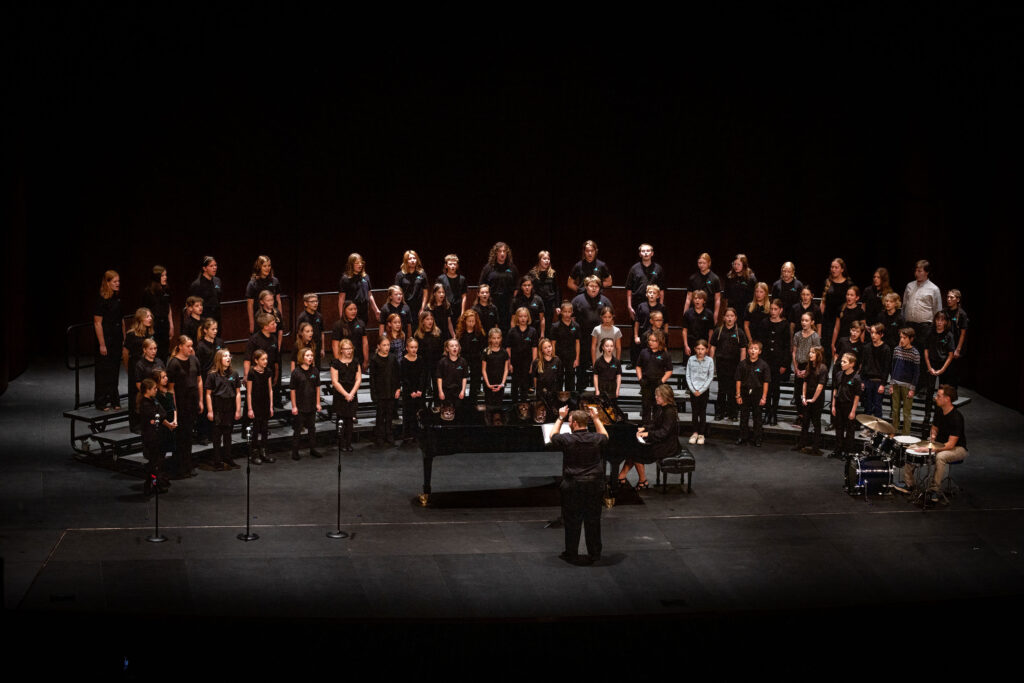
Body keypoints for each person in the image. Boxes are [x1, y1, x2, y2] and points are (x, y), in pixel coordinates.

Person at [549, 404, 608, 565]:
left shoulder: (567, 439)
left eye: (569, 421)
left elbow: (552, 436)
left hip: (573, 485)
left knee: (572, 521)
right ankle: (595, 553)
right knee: (593, 520)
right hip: (594, 485)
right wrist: (596, 418)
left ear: (574, 423)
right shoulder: (596, 439)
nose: (568, 423)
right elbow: (605, 435)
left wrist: (560, 418)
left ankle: (571, 553)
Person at [894, 385, 968, 503]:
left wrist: (931, 450)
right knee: (911, 448)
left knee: (940, 457)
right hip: (940, 444)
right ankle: (909, 484)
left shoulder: (956, 417)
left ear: (947, 399)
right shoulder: (939, 410)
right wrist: (933, 435)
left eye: (938, 396)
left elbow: (950, 445)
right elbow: (934, 428)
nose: (935, 398)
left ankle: (934, 490)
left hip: (958, 448)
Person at [627, 383, 681, 483]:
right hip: (663, 442)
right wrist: (644, 428)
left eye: (658, 396)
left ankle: (643, 481)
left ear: (665, 397)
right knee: (632, 450)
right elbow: (656, 425)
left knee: (636, 453)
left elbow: (663, 432)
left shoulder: (669, 412)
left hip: (668, 446)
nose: (655, 397)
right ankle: (621, 477)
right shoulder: (662, 408)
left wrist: (648, 434)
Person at [166, 335, 202, 477]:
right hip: (181, 403)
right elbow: (171, 388)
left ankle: (187, 464)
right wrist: (173, 408)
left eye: (191, 345)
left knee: (188, 435)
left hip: (192, 401)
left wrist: (200, 401)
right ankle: (180, 466)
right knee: (181, 436)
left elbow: (199, 380)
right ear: (180, 346)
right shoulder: (174, 363)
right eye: (188, 346)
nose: (190, 348)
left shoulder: (194, 359)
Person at [571, 276, 612, 392]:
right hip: (583, 339)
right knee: (582, 366)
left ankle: (601, 390)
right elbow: (571, 318)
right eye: (591, 286)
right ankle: (580, 390)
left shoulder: (605, 301)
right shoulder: (577, 300)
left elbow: (611, 318)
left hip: (600, 340)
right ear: (585, 287)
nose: (594, 289)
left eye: (596, 286)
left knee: (601, 365)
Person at [205, 348, 241, 471]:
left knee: (228, 435)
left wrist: (238, 410)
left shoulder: (234, 374)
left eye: (229, 356)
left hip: (229, 407)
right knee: (216, 436)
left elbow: (237, 393)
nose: (228, 358)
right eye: (225, 356)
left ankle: (228, 458)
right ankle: (217, 460)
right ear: (219, 359)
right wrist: (210, 411)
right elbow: (208, 394)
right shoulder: (212, 375)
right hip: (218, 407)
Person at [93, 270, 123, 411]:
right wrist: (102, 344)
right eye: (115, 281)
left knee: (114, 370)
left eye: (118, 281)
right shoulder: (101, 300)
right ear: (108, 282)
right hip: (106, 339)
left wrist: (123, 338)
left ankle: (114, 399)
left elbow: (121, 320)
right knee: (103, 371)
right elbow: (97, 323)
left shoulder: (117, 298)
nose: (118, 284)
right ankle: (101, 401)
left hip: (116, 338)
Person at [710, 308, 747, 421]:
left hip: (735, 365)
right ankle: (719, 413)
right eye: (727, 316)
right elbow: (712, 347)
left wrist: (742, 365)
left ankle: (733, 413)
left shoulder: (739, 332)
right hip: (722, 364)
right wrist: (711, 363)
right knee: (722, 389)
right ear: (724, 318)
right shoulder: (718, 331)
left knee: (733, 390)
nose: (729, 318)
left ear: (735, 318)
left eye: (732, 316)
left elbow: (743, 349)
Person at [123, 307, 155, 430]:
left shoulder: (150, 333)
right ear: (140, 318)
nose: (150, 318)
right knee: (135, 395)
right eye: (147, 316)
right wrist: (128, 368)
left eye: (150, 316)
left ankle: (146, 421)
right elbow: (125, 352)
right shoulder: (131, 334)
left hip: (148, 367)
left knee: (147, 395)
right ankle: (135, 424)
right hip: (136, 367)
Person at [137, 378, 171, 495]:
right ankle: (152, 484)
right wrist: (157, 417)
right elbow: (156, 416)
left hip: (157, 435)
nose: (156, 390)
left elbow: (162, 414)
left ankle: (155, 483)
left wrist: (157, 418)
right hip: (150, 438)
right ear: (147, 390)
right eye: (154, 389)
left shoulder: (154, 401)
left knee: (156, 463)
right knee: (153, 464)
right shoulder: (144, 404)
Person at [902, 260, 943, 353]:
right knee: (907, 351)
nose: (916, 273)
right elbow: (904, 306)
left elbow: (938, 311)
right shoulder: (910, 286)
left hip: (924, 327)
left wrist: (936, 328)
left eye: (919, 271)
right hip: (909, 325)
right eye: (915, 271)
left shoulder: (934, 289)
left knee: (921, 352)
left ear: (927, 272)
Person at [289, 347, 322, 460]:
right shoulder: (296, 372)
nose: (310, 358)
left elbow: (317, 388)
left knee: (312, 428)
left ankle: (313, 449)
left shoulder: (315, 371)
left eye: (311, 356)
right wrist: (294, 406)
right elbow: (292, 390)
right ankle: (295, 451)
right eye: (307, 356)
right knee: (298, 429)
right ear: (301, 357)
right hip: (300, 405)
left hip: (311, 405)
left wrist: (318, 403)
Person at [762, 299, 791, 425]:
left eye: (775, 309)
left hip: (778, 361)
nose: (773, 312)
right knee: (766, 388)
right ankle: (767, 412)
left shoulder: (785, 325)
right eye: (771, 309)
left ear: (780, 310)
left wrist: (784, 364)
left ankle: (774, 413)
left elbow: (786, 346)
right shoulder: (764, 322)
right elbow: (761, 342)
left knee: (775, 388)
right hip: (766, 360)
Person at [735, 341, 770, 446]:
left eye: (755, 349)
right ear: (748, 350)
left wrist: (764, 397)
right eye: (751, 348)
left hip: (757, 392)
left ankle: (757, 438)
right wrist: (738, 394)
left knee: (757, 416)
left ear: (759, 351)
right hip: (745, 392)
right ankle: (743, 436)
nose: (753, 350)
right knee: (744, 416)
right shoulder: (742, 364)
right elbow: (738, 380)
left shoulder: (764, 365)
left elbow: (766, 382)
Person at [479, 242, 519, 333]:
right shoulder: (488, 268)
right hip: (492, 301)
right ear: (495, 253)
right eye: (500, 251)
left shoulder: (512, 267)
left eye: (504, 251)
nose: (502, 253)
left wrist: (513, 300)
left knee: (506, 325)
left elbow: (517, 286)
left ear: (507, 253)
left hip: (507, 302)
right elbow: (481, 285)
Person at [795, 346, 827, 455]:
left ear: (818, 354)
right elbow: (805, 382)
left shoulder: (823, 368)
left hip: (817, 398)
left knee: (816, 422)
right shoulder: (809, 366)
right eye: (810, 352)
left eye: (813, 352)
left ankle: (815, 447)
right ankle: (801, 444)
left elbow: (820, 386)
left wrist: (813, 399)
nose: (810, 354)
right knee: (805, 422)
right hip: (807, 397)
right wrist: (803, 396)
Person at [820, 258, 853, 364]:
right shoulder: (828, 282)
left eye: (836, 267)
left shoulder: (848, 284)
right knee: (826, 347)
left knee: (841, 347)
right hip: (828, 319)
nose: (833, 269)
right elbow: (823, 301)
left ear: (842, 269)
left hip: (841, 320)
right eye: (832, 267)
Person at [330, 339, 361, 452]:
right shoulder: (336, 363)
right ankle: (341, 443)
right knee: (341, 420)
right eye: (346, 349)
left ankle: (348, 443)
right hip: (340, 394)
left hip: (352, 393)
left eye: (350, 348)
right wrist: (346, 394)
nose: (348, 351)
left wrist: (351, 393)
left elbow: (358, 379)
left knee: (350, 420)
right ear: (341, 350)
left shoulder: (355, 362)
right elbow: (335, 382)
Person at [246, 348, 276, 465]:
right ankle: (254, 454)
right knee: (256, 430)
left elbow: (270, 390)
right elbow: (249, 392)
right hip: (255, 405)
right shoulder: (252, 373)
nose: (265, 361)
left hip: (265, 404)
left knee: (264, 429)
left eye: (266, 359)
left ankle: (263, 452)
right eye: (263, 359)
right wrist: (249, 408)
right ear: (256, 360)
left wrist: (271, 406)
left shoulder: (268, 371)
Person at [888, 327, 921, 436]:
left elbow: (916, 373)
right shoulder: (896, 349)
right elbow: (893, 367)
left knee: (906, 412)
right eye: (901, 337)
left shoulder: (915, 353)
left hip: (907, 386)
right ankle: (893, 432)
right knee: (895, 410)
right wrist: (891, 384)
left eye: (904, 338)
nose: (902, 340)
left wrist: (912, 388)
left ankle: (905, 435)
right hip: (896, 383)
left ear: (910, 339)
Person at [369, 337, 401, 447]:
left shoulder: (392, 358)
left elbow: (397, 375)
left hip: (391, 391)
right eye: (384, 345)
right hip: (380, 392)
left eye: (388, 345)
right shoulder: (374, 360)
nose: (387, 347)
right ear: (378, 346)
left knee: (389, 415)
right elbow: (372, 378)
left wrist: (398, 388)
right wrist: (373, 394)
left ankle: (389, 434)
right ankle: (380, 436)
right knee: (380, 415)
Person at [637, 329, 673, 423]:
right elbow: (638, 366)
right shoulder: (644, 352)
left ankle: (656, 428)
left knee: (658, 407)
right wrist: (640, 379)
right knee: (646, 406)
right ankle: (645, 428)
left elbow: (669, 370)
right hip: (646, 383)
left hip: (658, 383)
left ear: (660, 341)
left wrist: (661, 381)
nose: (650, 342)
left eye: (654, 341)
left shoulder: (665, 354)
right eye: (649, 340)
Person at [791, 312, 821, 427]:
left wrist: (807, 370)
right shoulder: (797, 335)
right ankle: (800, 416)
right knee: (797, 393)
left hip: (809, 367)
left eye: (806, 320)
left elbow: (817, 354)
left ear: (812, 322)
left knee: (806, 393)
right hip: (799, 366)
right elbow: (794, 352)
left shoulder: (814, 336)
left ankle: (806, 417)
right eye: (802, 320)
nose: (804, 322)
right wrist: (796, 368)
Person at [830, 352, 862, 458]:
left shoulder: (856, 378)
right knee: (838, 428)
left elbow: (857, 396)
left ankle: (847, 451)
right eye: (842, 361)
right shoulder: (839, 374)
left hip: (848, 406)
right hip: (838, 404)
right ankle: (838, 449)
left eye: (844, 362)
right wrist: (833, 405)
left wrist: (853, 411)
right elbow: (835, 390)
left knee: (849, 430)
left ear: (852, 364)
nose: (842, 363)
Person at [625, 243, 666, 325]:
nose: (646, 253)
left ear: (652, 253)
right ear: (640, 254)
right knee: (637, 328)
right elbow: (629, 289)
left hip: (655, 304)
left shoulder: (658, 269)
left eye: (648, 251)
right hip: (637, 303)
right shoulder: (634, 269)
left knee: (654, 327)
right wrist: (629, 306)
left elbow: (661, 289)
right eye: (643, 251)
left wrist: (660, 305)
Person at [141, 265, 174, 361]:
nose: (165, 277)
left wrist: (171, 324)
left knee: (164, 352)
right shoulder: (147, 292)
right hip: (153, 325)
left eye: (165, 275)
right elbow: (143, 311)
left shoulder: (166, 289)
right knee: (155, 351)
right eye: (163, 275)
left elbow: (168, 307)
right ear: (156, 277)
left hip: (165, 324)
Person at [505, 308, 538, 404]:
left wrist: (533, 363)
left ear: (528, 318)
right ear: (517, 318)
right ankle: (514, 406)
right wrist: (509, 363)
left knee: (525, 385)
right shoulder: (512, 331)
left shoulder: (533, 331)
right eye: (520, 316)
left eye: (525, 316)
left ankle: (524, 408)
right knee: (514, 385)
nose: (523, 318)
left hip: (527, 362)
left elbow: (534, 348)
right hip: (515, 363)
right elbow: (508, 348)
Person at [338, 253, 380, 327]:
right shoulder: (345, 279)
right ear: (351, 264)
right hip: (352, 311)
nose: (360, 265)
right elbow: (341, 298)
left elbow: (370, 295)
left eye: (361, 263)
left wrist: (376, 310)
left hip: (364, 311)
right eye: (357, 263)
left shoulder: (366, 277)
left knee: (362, 332)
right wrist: (342, 316)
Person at [860, 323, 892, 420]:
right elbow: (863, 365)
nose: (873, 335)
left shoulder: (886, 349)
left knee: (877, 406)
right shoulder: (867, 347)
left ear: (881, 334)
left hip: (878, 381)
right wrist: (862, 381)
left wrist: (883, 384)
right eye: (872, 333)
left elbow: (886, 368)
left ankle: (878, 430)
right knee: (867, 406)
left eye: (876, 333)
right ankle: (867, 428)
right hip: (867, 380)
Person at [685, 340, 714, 445]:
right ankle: (695, 432)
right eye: (698, 349)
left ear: (706, 350)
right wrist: (693, 390)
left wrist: (701, 390)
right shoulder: (691, 360)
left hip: (703, 390)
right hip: (693, 390)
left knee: (702, 412)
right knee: (694, 412)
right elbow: (688, 376)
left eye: (702, 349)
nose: (700, 351)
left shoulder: (710, 361)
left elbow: (710, 377)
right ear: (695, 349)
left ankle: (701, 434)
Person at [456, 309, 487, 405]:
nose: (471, 323)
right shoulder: (460, 333)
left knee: (475, 379)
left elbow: (483, 347)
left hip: (476, 358)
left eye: (473, 321)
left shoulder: (479, 333)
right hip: (463, 359)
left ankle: (473, 400)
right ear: (464, 321)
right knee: (461, 378)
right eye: (469, 321)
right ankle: (461, 397)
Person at [549, 301, 581, 393]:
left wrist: (577, 358)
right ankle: (558, 402)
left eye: (569, 312)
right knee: (558, 378)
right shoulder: (555, 326)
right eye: (565, 312)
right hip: (559, 357)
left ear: (572, 312)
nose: (567, 314)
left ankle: (570, 402)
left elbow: (577, 343)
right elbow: (553, 344)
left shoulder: (576, 326)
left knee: (570, 379)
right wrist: (553, 358)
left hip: (571, 357)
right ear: (561, 312)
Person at [400, 337, 427, 444]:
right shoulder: (403, 361)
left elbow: (423, 375)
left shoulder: (420, 359)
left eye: (415, 347)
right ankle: (407, 436)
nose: (414, 349)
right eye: (411, 347)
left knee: (418, 412)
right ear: (407, 348)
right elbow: (404, 377)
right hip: (408, 391)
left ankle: (418, 434)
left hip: (419, 391)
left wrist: (420, 390)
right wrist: (411, 391)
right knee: (408, 413)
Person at [245, 255, 282, 334]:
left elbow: (278, 300)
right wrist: (251, 324)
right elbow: (250, 305)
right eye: (264, 266)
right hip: (260, 318)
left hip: (273, 317)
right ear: (259, 267)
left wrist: (280, 317)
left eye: (269, 265)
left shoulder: (275, 281)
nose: (267, 268)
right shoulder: (253, 283)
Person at [634, 284, 666, 368]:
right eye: (650, 292)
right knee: (645, 354)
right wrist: (636, 336)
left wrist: (665, 335)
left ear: (658, 295)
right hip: (644, 334)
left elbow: (666, 323)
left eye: (654, 293)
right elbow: (637, 322)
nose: (651, 294)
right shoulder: (641, 306)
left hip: (658, 335)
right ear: (646, 294)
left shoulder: (662, 307)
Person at [684, 252, 722, 321]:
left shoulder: (715, 278)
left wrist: (716, 315)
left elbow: (717, 299)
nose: (701, 265)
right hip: (695, 311)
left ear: (709, 263)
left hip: (709, 310)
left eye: (704, 263)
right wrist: (685, 313)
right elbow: (688, 298)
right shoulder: (693, 278)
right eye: (699, 263)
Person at [942, 288, 969, 387]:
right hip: (945, 345)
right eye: (948, 297)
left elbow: (963, 334)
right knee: (943, 372)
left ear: (957, 299)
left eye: (951, 297)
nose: (948, 299)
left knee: (952, 372)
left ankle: (951, 394)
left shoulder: (962, 314)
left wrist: (958, 349)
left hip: (955, 346)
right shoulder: (944, 311)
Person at [527, 250, 560, 329]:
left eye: (548, 259)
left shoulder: (553, 273)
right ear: (539, 260)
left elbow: (557, 290)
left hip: (549, 303)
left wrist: (557, 306)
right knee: (536, 324)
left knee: (548, 325)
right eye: (544, 259)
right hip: (537, 304)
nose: (547, 261)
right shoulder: (532, 273)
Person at [482, 328, 509, 420]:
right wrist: (488, 384)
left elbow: (506, 370)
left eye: (498, 338)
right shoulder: (486, 352)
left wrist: (502, 383)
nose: (496, 340)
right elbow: (483, 370)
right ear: (490, 339)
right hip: (489, 383)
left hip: (500, 384)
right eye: (494, 338)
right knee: (488, 407)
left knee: (499, 406)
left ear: (501, 338)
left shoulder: (504, 353)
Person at [332, 300, 368, 368]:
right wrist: (338, 361)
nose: (354, 311)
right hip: (344, 359)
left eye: (355, 309)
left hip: (358, 358)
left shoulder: (361, 323)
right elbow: (335, 345)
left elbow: (365, 343)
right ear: (344, 310)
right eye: (350, 309)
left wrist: (366, 359)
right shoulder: (338, 325)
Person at [831, 286, 866, 358]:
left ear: (857, 298)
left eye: (851, 295)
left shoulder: (860, 312)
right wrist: (833, 344)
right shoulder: (841, 308)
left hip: (854, 342)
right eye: (847, 294)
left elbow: (863, 330)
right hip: (842, 342)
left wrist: (861, 344)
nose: (849, 297)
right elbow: (836, 328)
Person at [436, 338, 469, 410]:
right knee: (447, 412)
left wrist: (463, 391)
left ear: (459, 348)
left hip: (458, 392)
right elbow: (439, 378)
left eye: (456, 346)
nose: (454, 347)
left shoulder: (463, 361)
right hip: (446, 392)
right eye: (452, 346)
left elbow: (464, 377)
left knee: (458, 412)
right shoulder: (442, 362)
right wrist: (440, 391)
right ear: (447, 349)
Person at [532, 338, 562, 415]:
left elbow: (560, 376)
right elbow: (535, 377)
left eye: (549, 346)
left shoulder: (557, 360)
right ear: (541, 350)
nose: (548, 349)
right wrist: (536, 390)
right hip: (541, 391)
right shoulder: (537, 362)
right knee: (542, 410)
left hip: (554, 390)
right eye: (545, 348)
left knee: (553, 412)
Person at [189, 256, 222, 325]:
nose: (214, 268)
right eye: (211, 266)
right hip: (204, 319)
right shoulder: (197, 284)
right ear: (204, 268)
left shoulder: (217, 281)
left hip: (217, 318)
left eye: (215, 265)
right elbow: (192, 305)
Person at [395, 250, 429, 317]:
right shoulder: (400, 275)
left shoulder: (422, 274)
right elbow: (397, 292)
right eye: (410, 259)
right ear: (406, 261)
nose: (413, 260)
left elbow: (425, 291)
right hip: (404, 305)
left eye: (414, 258)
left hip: (418, 306)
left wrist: (422, 307)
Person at [682, 290, 714, 359]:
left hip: (703, 343)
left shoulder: (709, 314)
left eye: (699, 298)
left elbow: (711, 331)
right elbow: (684, 330)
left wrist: (708, 346)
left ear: (704, 301)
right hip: (691, 344)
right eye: (695, 298)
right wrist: (686, 345)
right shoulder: (688, 313)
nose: (697, 300)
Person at [724, 254, 757, 323]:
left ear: (744, 265)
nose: (736, 266)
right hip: (732, 309)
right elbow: (726, 295)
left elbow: (754, 296)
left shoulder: (751, 278)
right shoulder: (729, 277)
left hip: (745, 309)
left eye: (738, 264)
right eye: (734, 264)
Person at [436, 254, 468, 322]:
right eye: (450, 264)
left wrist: (462, 312)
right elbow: (437, 294)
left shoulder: (462, 279)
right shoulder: (441, 279)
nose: (452, 266)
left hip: (457, 309)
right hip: (444, 308)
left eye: (454, 264)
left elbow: (464, 296)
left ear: (457, 266)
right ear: (446, 266)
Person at [296, 293, 325, 367]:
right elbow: (298, 334)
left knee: (317, 367)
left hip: (317, 346)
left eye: (316, 301)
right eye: (312, 302)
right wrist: (300, 348)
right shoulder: (302, 317)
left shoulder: (319, 316)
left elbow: (322, 332)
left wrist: (322, 348)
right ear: (305, 303)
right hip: (306, 346)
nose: (315, 303)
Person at [592, 338, 622, 405]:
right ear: (603, 347)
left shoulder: (616, 362)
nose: (609, 348)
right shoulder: (598, 361)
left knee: (613, 409)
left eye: (611, 346)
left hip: (612, 387)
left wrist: (617, 390)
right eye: (607, 346)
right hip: (601, 387)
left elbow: (619, 376)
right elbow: (595, 376)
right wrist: (597, 390)